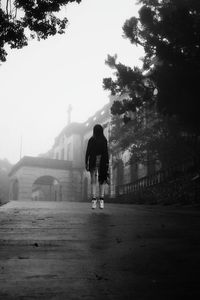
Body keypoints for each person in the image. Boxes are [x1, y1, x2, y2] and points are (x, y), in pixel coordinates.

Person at [85, 124, 109, 209]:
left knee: (93, 181)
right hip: (101, 162)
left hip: (93, 162)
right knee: (101, 180)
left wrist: (86, 163)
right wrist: (107, 163)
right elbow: (106, 153)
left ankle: (94, 200)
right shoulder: (104, 139)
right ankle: (101, 200)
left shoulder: (92, 139)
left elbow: (87, 153)